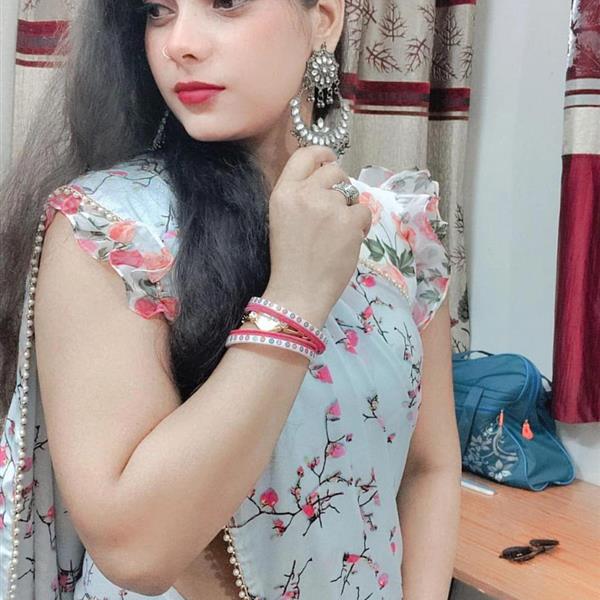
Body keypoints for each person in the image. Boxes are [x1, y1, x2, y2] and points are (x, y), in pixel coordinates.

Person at [0, 1, 462, 598]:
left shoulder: (397, 230)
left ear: (323, 19)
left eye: (224, 3)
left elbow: (429, 468)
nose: (179, 43)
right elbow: (135, 550)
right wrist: (296, 296)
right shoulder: (112, 230)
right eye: (158, 11)